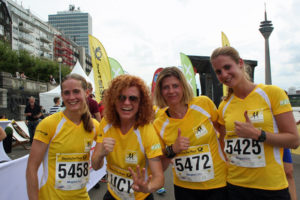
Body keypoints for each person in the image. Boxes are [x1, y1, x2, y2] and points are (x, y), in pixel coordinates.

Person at [210, 46, 300, 200]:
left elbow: (294, 140)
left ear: (240, 63)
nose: (224, 74)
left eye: (227, 67)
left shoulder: (272, 93)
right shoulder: (224, 106)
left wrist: (258, 134)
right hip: (236, 187)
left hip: (270, 188)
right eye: (218, 71)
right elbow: (223, 144)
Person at [153, 67, 227, 200]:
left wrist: (226, 156)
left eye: (175, 86)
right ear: (160, 91)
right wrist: (173, 149)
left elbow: (222, 130)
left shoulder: (203, 104)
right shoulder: (159, 124)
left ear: (183, 87)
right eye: (166, 87)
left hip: (217, 183)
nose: (171, 91)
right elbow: (161, 164)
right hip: (185, 188)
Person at [26, 74, 99, 200]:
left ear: (87, 93)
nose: (71, 97)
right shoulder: (49, 124)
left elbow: (100, 163)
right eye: (66, 93)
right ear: (62, 95)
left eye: (76, 91)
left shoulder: (94, 126)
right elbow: (32, 168)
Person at [91, 74, 164, 200]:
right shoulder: (106, 122)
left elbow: (159, 178)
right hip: (113, 195)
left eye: (133, 99)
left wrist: (147, 187)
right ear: (113, 100)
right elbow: (96, 165)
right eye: (121, 97)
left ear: (141, 103)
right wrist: (100, 154)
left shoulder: (146, 130)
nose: (126, 103)